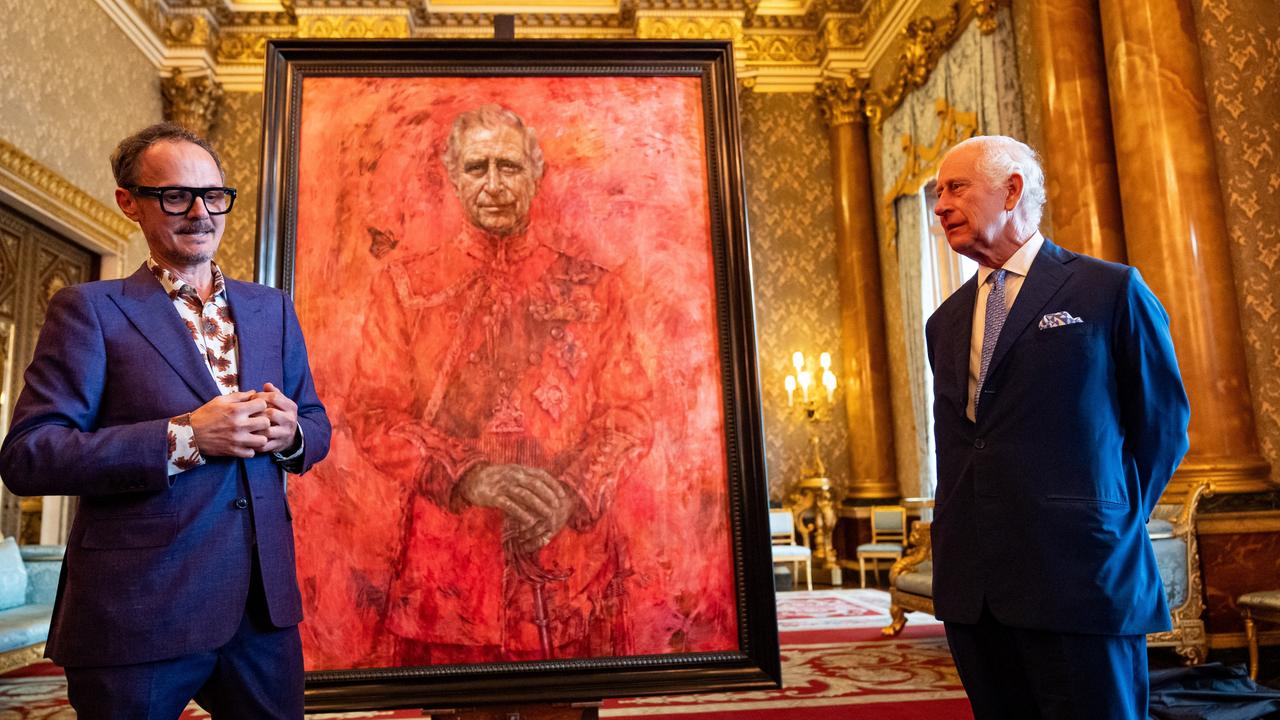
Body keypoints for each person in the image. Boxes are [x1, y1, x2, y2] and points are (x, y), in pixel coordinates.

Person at [0, 122, 331, 718]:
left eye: (214, 196)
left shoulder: (271, 309)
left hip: (262, 612)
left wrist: (294, 435)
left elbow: (315, 420)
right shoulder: (90, 311)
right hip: (137, 610)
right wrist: (186, 438)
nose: (201, 212)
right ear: (130, 203)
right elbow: (29, 453)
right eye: (175, 196)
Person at [348, 105, 653, 664]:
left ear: (535, 174)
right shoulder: (403, 286)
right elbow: (372, 416)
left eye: (509, 166)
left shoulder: (595, 288)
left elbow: (629, 416)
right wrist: (471, 477)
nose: (493, 184)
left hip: (569, 566)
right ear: (453, 176)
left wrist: (571, 493)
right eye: (477, 167)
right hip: (450, 567)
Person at [925, 135, 1189, 719]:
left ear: (1012, 189)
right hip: (976, 587)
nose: (939, 205)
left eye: (956, 188)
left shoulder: (1108, 290)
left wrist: (1109, 516)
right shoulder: (943, 323)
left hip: (1082, 575)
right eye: (937, 192)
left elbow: (1163, 426)